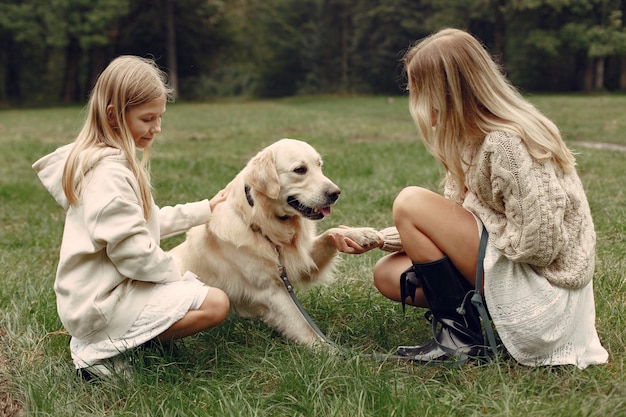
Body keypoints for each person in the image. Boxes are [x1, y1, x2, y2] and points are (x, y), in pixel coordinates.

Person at [329, 28, 608, 369]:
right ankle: (468, 329)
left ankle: (462, 342)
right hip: (519, 276)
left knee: (409, 200)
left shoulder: (506, 143)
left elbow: (540, 245)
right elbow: (459, 224)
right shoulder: (469, 139)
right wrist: (378, 238)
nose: (416, 100)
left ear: (446, 90)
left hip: (545, 300)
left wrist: (475, 213)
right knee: (389, 274)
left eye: (420, 90)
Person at [32, 55, 230, 380]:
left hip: (97, 298)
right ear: (114, 116)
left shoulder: (109, 163)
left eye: (160, 117)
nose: (157, 128)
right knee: (215, 303)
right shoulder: (108, 176)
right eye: (148, 118)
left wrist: (204, 210)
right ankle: (102, 353)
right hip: (101, 306)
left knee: (196, 295)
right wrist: (176, 276)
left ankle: (116, 340)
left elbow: (144, 224)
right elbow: (134, 253)